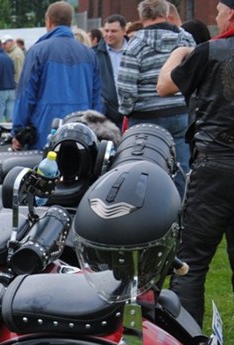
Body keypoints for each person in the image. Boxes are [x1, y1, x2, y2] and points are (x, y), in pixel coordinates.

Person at [156, 0, 234, 325]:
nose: (216, 17)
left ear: (231, 14)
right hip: (216, 161)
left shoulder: (210, 51)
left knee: (189, 262)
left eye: (219, 12)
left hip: (214, 166)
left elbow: (164, 85)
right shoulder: (212, 50)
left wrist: (178, 53)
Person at [117, 0, 195, 198]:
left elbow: (126, 86)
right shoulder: (186, 40)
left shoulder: (135, 44)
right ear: (166, 13)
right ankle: (180, 209)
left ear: (141, 16)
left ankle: (146, 209)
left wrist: (127, 110)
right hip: (180, 112)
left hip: (145, 117)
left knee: (141, 172)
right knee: (181, 168)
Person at [12, 1, 101, 150]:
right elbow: (97, 98)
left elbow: (26, 95)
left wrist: (18, 131)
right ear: (70, 22)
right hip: (81, 132)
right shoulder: (89, 54)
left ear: (49, 21)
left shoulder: (38, 51)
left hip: (45, 129)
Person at [94, 14, 129, 128]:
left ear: (124, 31)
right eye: (106, 31)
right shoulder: (94, 54)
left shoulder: (135, 50)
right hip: (106, 115)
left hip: (132, 114)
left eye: (113, 31)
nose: (109, 34)